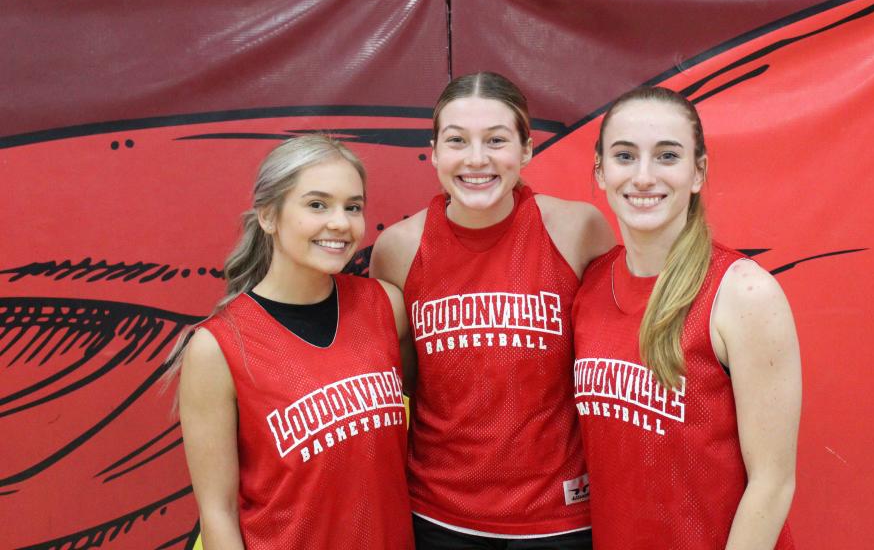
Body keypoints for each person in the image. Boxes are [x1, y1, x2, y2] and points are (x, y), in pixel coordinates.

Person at [371, 71, 615, 548]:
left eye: (497, 140)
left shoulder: (576, 228)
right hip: (439, 515)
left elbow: (612, 355)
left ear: (525, 150)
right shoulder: (398, 248)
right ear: (435, 152)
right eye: (457, 141)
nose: (476, 159)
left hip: (559, 516)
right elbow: (403, 381)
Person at [573, 86, 801, 549]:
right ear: (600, 170)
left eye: (667, 156)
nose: (643, 176)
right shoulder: (590, 285)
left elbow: (772, 484)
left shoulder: (742, 292)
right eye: (624, 155)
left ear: (698, 172)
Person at [175, 134, 415, 549]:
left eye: (352, 207)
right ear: (268, 216)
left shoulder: (385, 307)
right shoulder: (216, 347)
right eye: (317, 204)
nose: (340, 222)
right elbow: (218, 512)